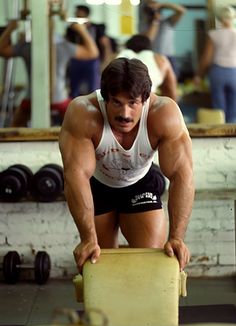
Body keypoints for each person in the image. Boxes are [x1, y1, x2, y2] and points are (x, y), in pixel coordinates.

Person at [59, 57, 194, 274]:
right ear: (105, 98)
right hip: (98, 185)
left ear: (145, 99)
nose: (125, 113)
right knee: (99, 264)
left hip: (140, 182)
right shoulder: (83, 113)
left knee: (152, 262)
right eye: (116, 102)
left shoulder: (164, 114)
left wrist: (177, 237)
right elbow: (76, 176)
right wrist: (87, 238)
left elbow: (182, 175)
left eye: (132, 103)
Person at [0, 19, 99, 127]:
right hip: (59, 99)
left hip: (32, 99)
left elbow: (2, 50)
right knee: (78, 126)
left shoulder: (27, 47)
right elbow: (93, 52)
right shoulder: (63, 47)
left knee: (16, 126)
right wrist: (81, 30)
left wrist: (10, 29)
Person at [194, 6, 236, 123]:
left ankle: (220, 133)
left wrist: (199, 75)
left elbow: (206, 58)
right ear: (233, 18)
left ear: (220, 18)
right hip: (234, 72)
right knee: (234, 108)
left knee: (219, 108)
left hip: (218, 72)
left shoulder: (214, 34)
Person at [66, 4, 113, 98]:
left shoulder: (97, 28)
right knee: (74, 86)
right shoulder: (72, 29)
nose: (78, 18)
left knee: (93, 86)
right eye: (76, 16)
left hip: (93, 61)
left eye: (80, 16)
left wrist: (106, 61)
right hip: (77, 59)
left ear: (87, 16)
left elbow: (105, 44)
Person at [116, 34, 177, 100]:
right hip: (147, 99)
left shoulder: (117, 55)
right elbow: (171, 90)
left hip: (117, 99)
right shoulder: (160, 59)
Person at [139, 0, 186, 78]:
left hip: (168, 58)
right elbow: (148, 39)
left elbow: (182, 11)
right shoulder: (143, 25)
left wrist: (162, 5)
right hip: (152, 58)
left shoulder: (168, 22)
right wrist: (155, 21)